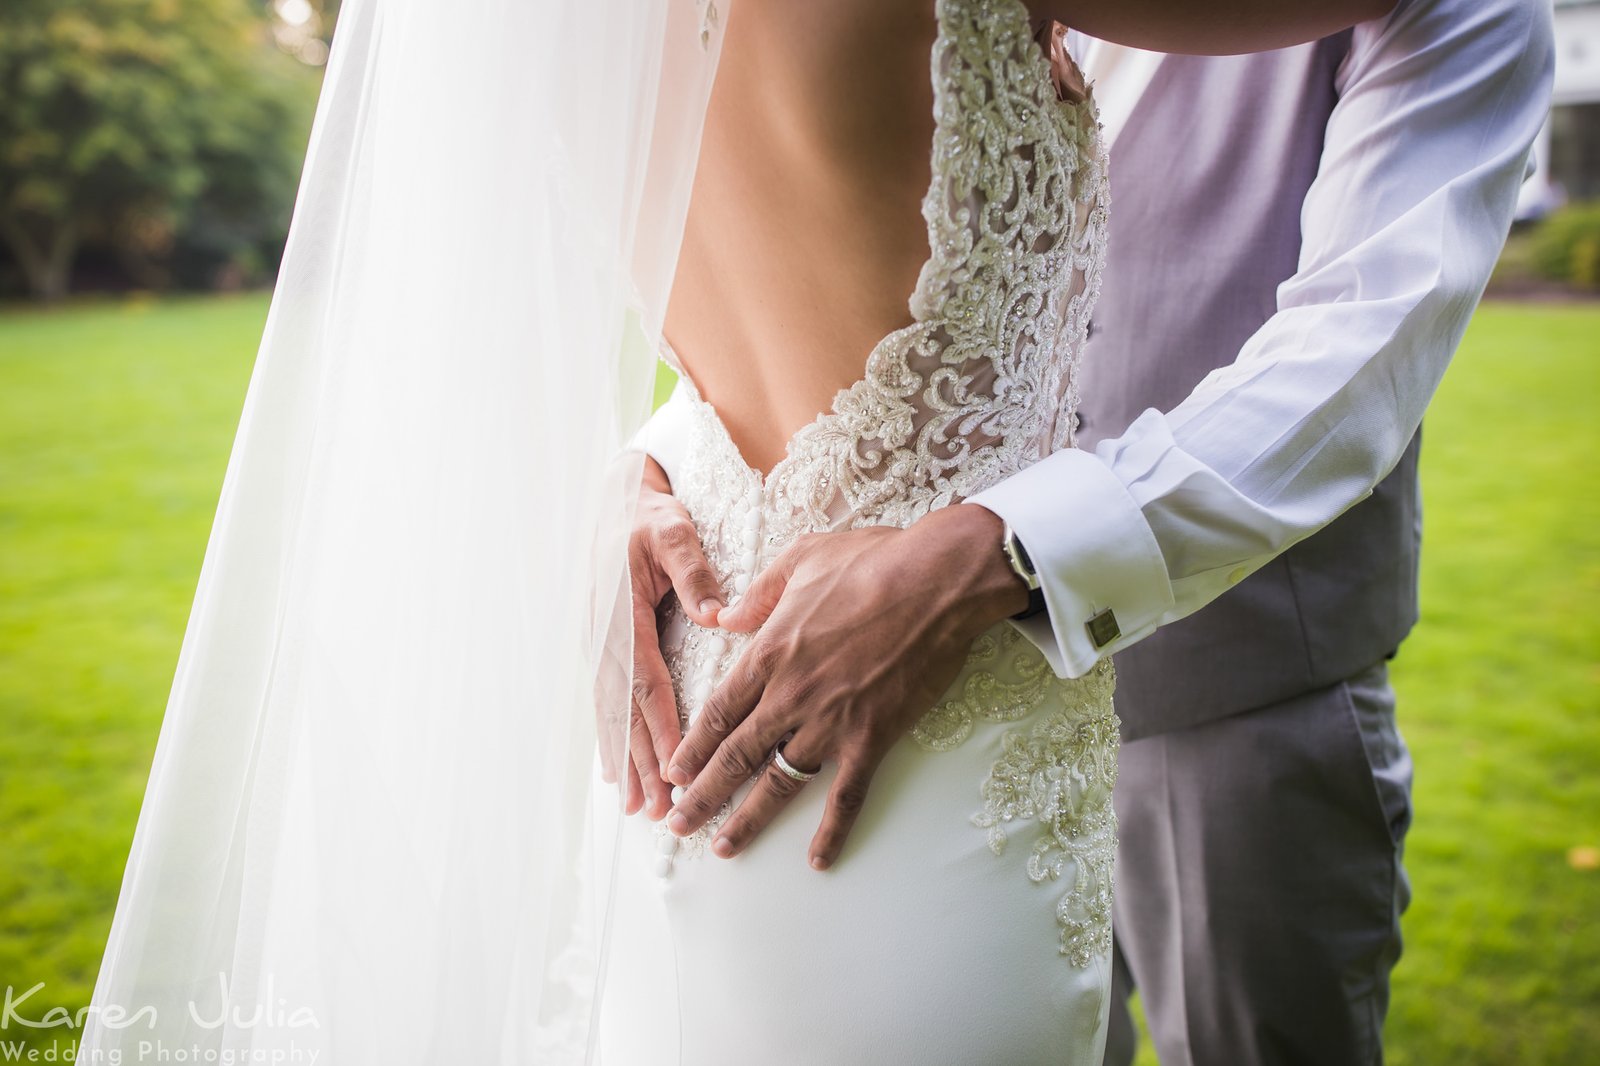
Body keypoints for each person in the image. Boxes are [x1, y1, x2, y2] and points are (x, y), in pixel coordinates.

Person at [625, 0, 1553, 1063]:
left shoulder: (1471, 16)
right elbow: (819, 255)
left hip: (1235, 700)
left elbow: (1360, 351)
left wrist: (1007, 547)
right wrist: (654, 467)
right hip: (877, 714)